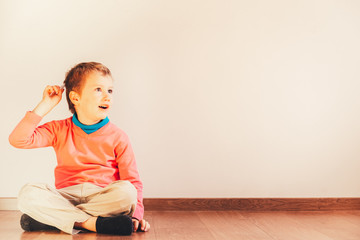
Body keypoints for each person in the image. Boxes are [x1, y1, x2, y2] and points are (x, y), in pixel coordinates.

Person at [9, 62, 150, 235]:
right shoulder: (58, 129)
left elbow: (133, 180)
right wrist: (45, 105)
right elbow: (18, 140)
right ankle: (89, 223)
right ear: (76, 98)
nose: (107, 97)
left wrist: (136, 217)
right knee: (27, 193)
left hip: (102, 196)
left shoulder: (118, 136)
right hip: (66, 197)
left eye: (110, 90)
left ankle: (57, 220)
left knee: (127, 192)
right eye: (98, 89)